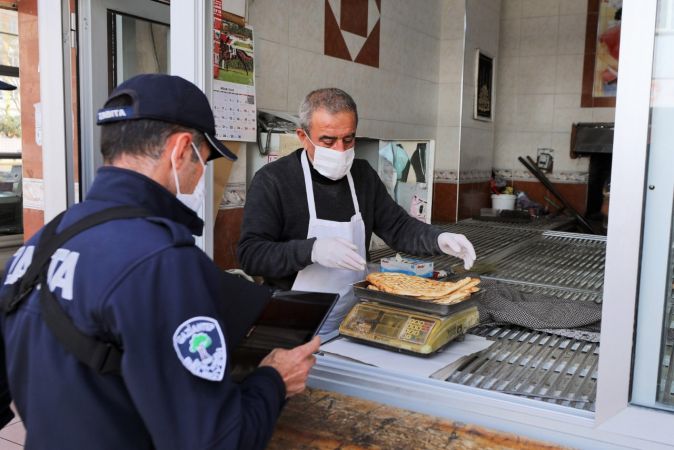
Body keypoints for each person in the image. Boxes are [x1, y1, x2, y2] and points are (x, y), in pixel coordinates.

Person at [0, 74, 319, 449]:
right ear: (182, 149)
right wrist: (274, 380)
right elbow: (216, 441)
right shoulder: (162, 261)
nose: (202, 175)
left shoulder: (43, 242)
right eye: (204, 160)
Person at [238, 88, 476, 337]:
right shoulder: (274, 180)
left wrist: (438, 239)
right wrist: (313, 250)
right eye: (328, 141)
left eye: (348, 139)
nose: (340, 150)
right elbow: (251, 254)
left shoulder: (362, 176)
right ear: (302, 136)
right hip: (290, 322)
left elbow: (398, 227)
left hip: (351, 318)